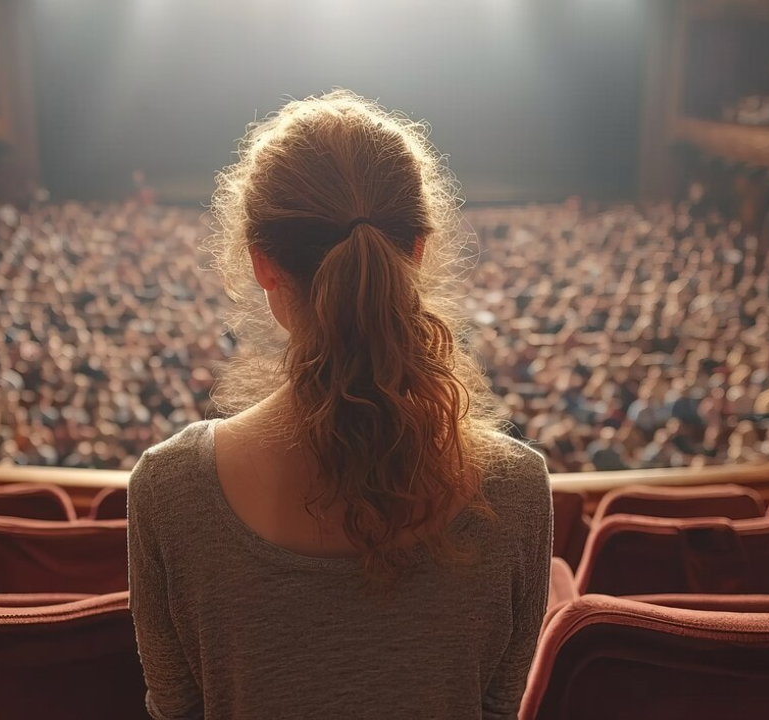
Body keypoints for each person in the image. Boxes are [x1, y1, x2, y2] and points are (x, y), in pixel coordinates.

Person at [127, 91, 553, 720]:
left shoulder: (167, 488)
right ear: (416, 251)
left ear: (263, 265)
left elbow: (177, 710)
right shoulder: (517, 489)